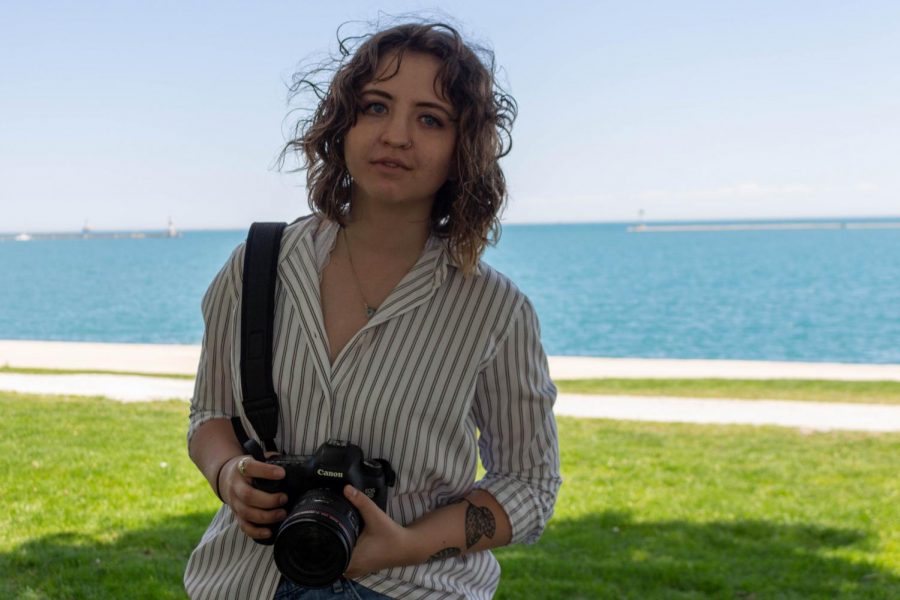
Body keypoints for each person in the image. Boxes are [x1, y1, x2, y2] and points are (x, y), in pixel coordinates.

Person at [184, 21, 561, 600]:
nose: (397, 135)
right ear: (343, 124)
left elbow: (530, 486)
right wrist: (229, 476)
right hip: (245, 581)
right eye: (375, 107)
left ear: (464, 151)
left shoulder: (496, 311)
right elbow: (209, 415)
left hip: (411, 588)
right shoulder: (256, 266)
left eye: (430, 119)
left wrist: (406, 544)